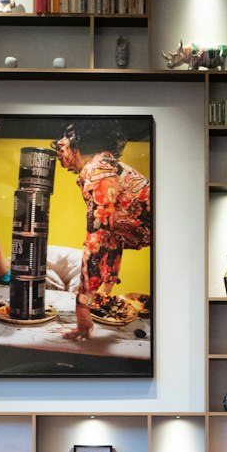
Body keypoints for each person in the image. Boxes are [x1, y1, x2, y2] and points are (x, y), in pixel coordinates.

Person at [53, 119, 151, 342]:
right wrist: (104, 291)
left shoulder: (98, 171)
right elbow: (112, 235)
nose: (60, 142)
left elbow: (97, 239)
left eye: (68, 135)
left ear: (84, 140)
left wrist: (82, 308)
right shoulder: (105, 167)